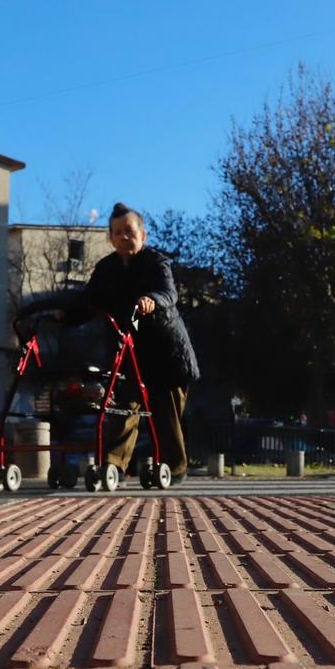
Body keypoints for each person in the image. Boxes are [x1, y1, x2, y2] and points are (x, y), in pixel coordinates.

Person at [85, 203, 199, 485]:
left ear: (143, 235)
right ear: (110, 238)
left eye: (130, 231)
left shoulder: (156, 262)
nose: (125, 237)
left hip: (166, 354)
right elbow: (86, 302)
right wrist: (62, 314)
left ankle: (174, 468)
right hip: (128, 353)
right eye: (118, 232)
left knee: (167, 417)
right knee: (123, 411)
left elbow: (167, 292)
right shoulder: (106, 269)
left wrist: (152, 300)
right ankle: (113, 466)